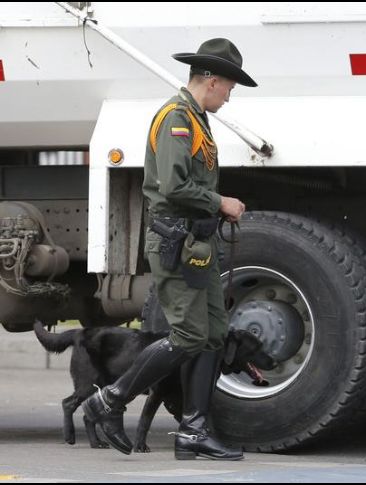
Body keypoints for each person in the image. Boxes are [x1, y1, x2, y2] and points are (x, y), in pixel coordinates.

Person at [83, 38, 256, 461]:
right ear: (211, 80)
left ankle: (193, 433)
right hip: (175, 242)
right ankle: (107, 402)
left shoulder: (196, 120)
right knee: (189, 335)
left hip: (195, 242)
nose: (230, 96)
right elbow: (175, 185)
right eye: (229, 86)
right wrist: (221, 202)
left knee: (213, 335)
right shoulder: (176, 119)